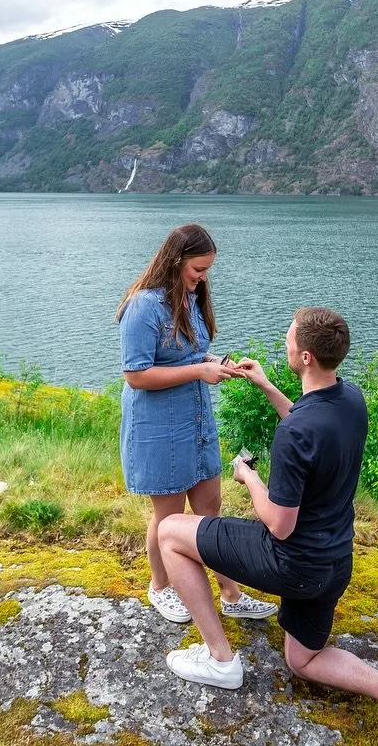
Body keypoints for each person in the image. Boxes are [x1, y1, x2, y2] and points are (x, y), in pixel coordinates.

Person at [155, 307, 378, 746]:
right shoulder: (350, 401)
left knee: (171, 532)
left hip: (290, 562)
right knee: (301, 660)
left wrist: (248, 477)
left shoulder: (295, 434)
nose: (286, 342)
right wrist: (267, 385)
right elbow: (309, 427)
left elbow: (279, 523)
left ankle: (219, 660)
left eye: (290, 338)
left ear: (306, 356)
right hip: (333, 565)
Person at [116, 223, 277, 625]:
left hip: (195, 419)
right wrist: (198, 371)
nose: (203, 278)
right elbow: (136, 375)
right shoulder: (143, 306)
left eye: (207, 270)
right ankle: (160, 587)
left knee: (209, 507)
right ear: (175, 261)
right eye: (198, 269)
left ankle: (230, 593)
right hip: (157, 425)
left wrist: (215, 364)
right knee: (168, 518)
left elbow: (189, 355)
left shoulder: (191, 298)